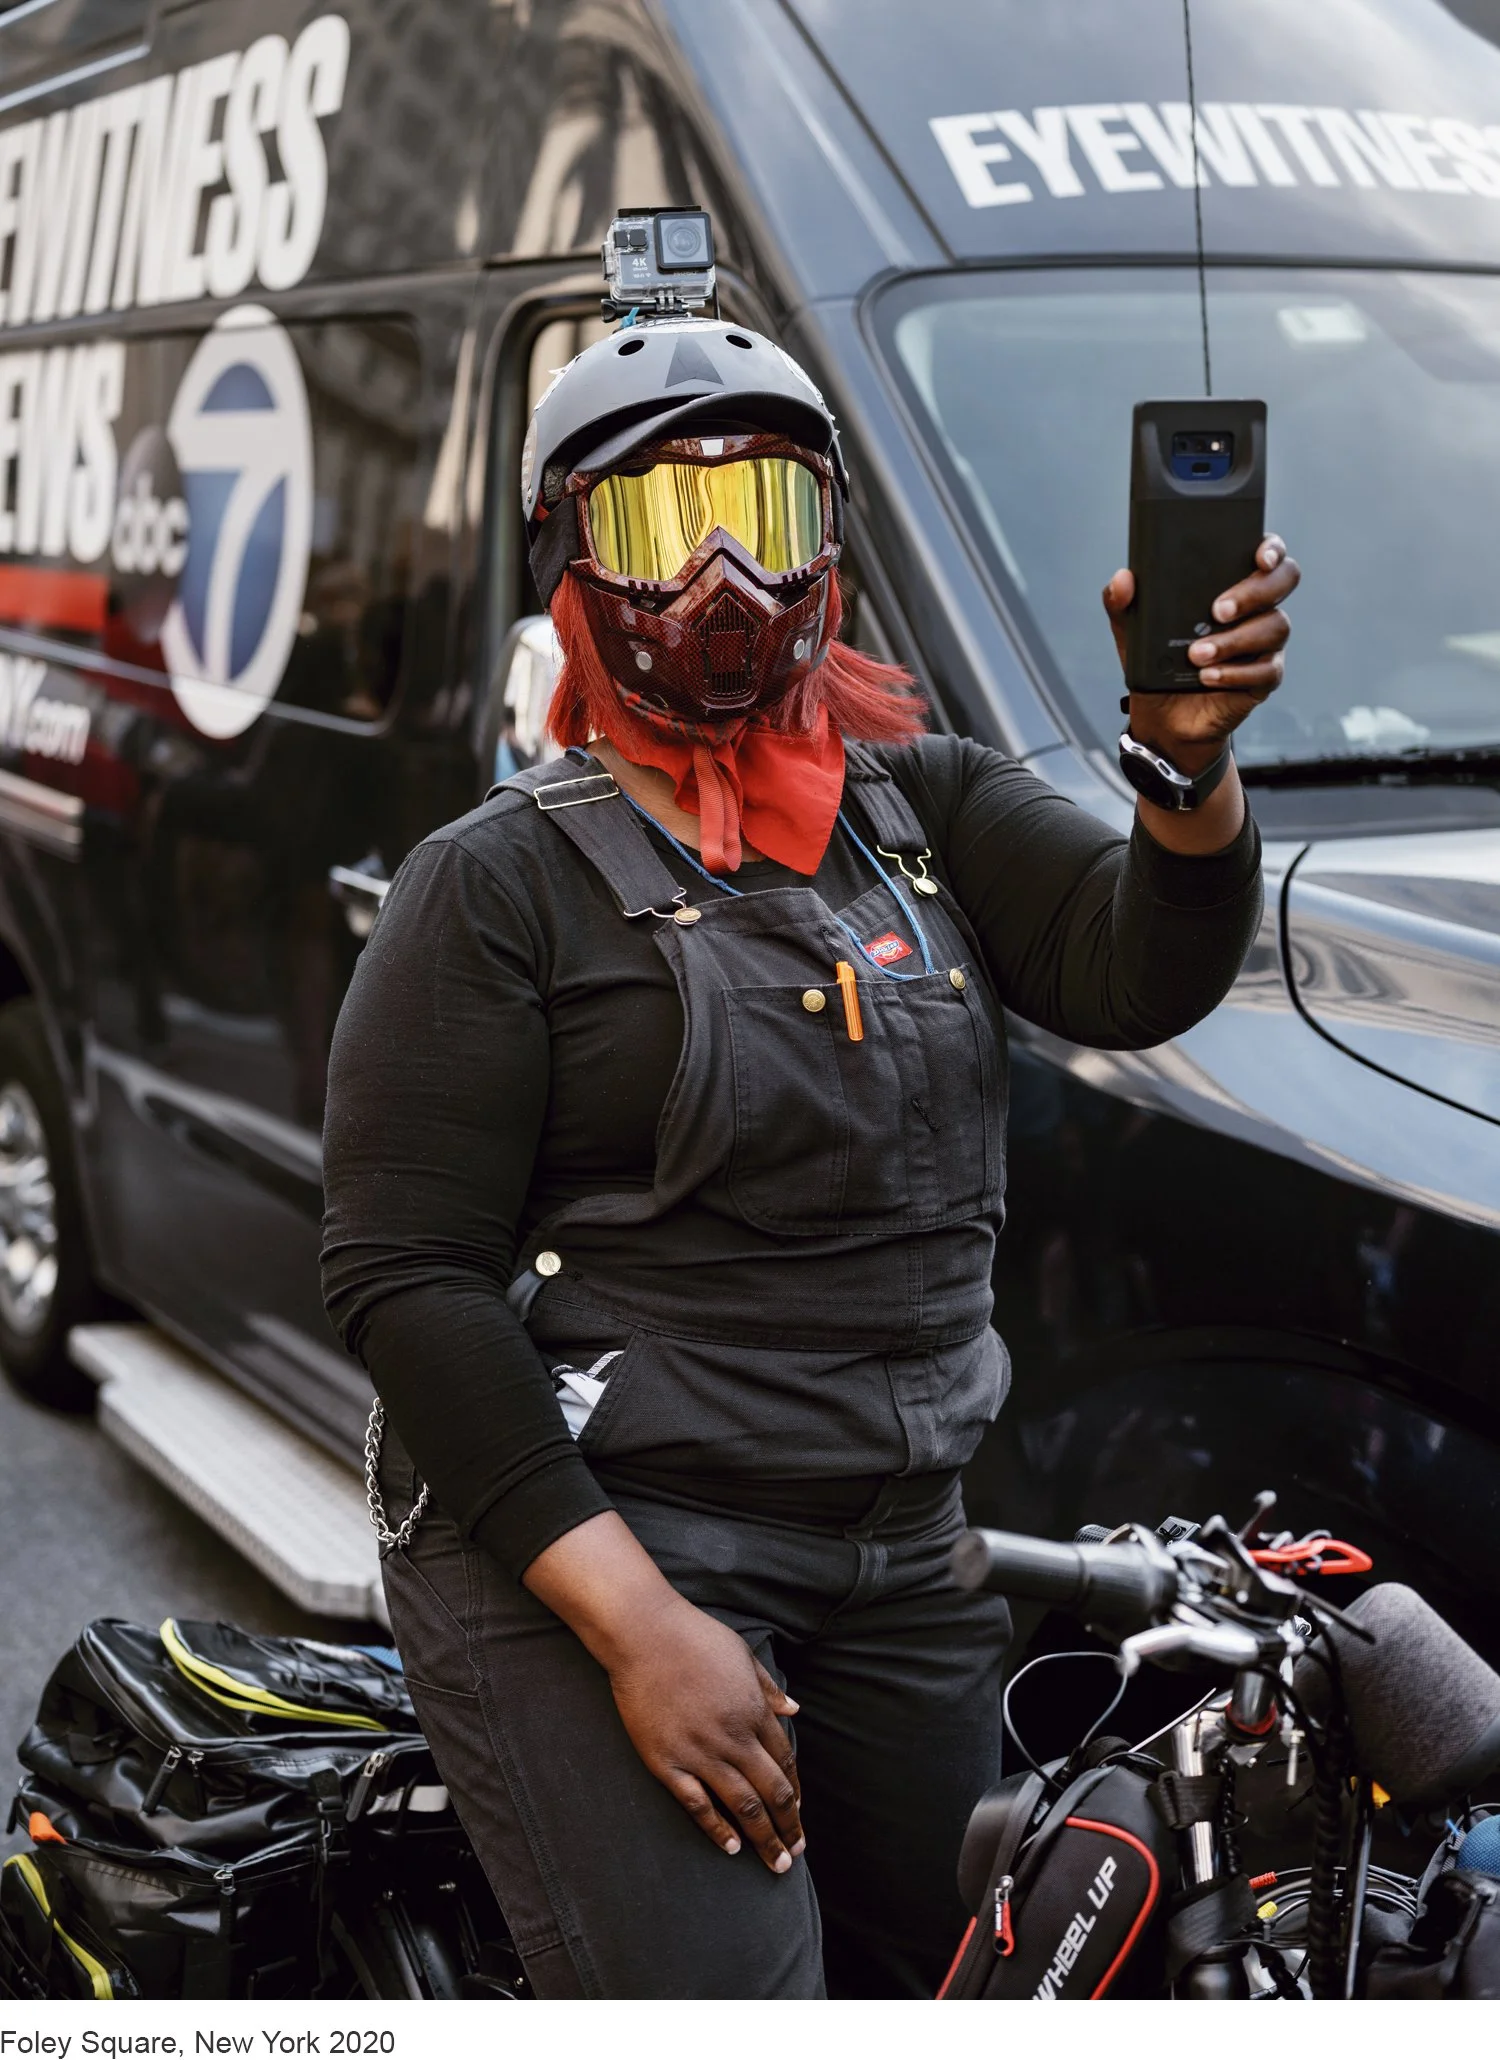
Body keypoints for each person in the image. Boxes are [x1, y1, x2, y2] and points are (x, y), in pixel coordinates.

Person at [319, 314, 1297, 2000]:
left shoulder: (924, 810)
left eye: (761, 515)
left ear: (827, 547)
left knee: (976, 1979)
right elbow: (406, 1281)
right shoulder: (490, 885)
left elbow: (1138, 967)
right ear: (567, 562)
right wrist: (642, 1631)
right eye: (659, 524)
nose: (721, 578)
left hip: (900, 1546)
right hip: (606, 1534)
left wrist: (1185, 764)